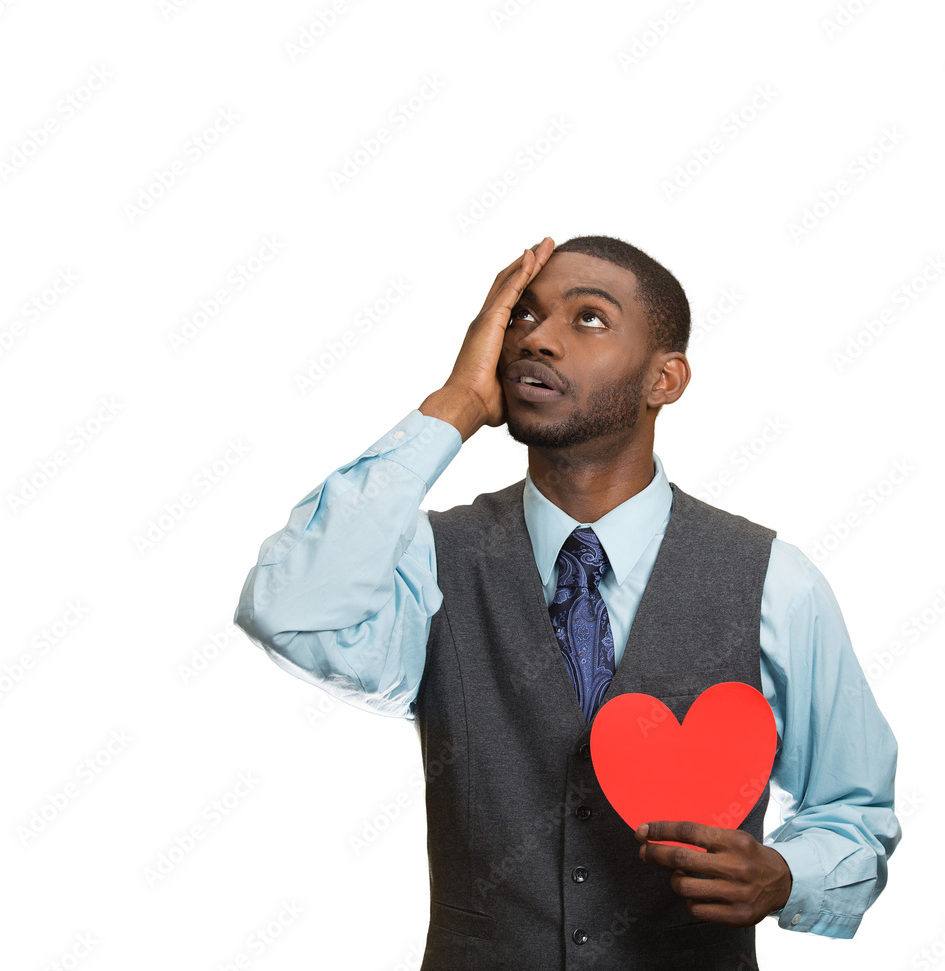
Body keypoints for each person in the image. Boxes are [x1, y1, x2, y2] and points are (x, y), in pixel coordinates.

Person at [234, 235, 901, 970]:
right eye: (522, 315)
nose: (538, 339)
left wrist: (786, 876)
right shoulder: (428, 562)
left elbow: (853, 811)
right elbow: (288, 607)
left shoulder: (775, 580)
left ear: (665, 379)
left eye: (587, 319)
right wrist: (453, 406)